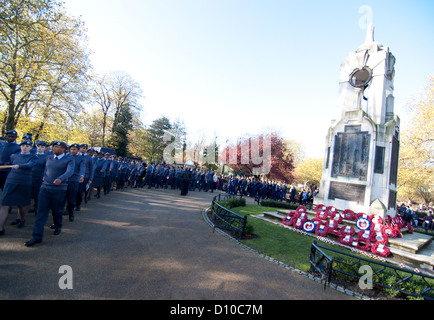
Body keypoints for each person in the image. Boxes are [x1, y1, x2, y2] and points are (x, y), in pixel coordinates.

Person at [24, 141, 74, 246]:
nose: (54, 148)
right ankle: (36, 237)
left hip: (59, 189)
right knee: (40, 213)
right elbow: (45, 169)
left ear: (64, 150)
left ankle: (58, 225)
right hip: (45, 188)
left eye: (57, 147)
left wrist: (61, 178)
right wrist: (44, 177)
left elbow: (69, 172)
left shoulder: (69, 160)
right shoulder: (49, 157)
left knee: (56, 211)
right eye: (54, 147)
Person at [0, 140, 37, 235]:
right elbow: (7, 163)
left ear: (30, 148)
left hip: (24, 182)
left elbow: (30, 165)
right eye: (23, 145)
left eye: (27, 146)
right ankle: (0, 227)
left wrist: (19, 166)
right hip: (11, 181)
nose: (25, 147)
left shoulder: (33, 157)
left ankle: (22, 219)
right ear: (20, 147)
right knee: (5, 204)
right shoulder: (13, 156)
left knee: (22, 204)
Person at [64, 143, 85, 222]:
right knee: (62, 197)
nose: (72, 151)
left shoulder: (81, 158)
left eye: (74, 149)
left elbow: (82, 168)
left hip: (74, 179)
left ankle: (71, 212)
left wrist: (81, 176)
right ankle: (65, 210)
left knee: (72, 198)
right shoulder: (66, 156)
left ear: (78, 150)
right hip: (64, 179)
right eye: (71, 149)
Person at [30, 140, 49, 214]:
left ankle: (37, 208)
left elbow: (46, 168)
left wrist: (44, 176)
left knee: (38, 194)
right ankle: (34, 207)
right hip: (31, 176)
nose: (40, 148)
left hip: (40, 177)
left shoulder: (46, 157)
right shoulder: (32, 155)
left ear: (45, 148)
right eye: (38, 146)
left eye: (42, 147)